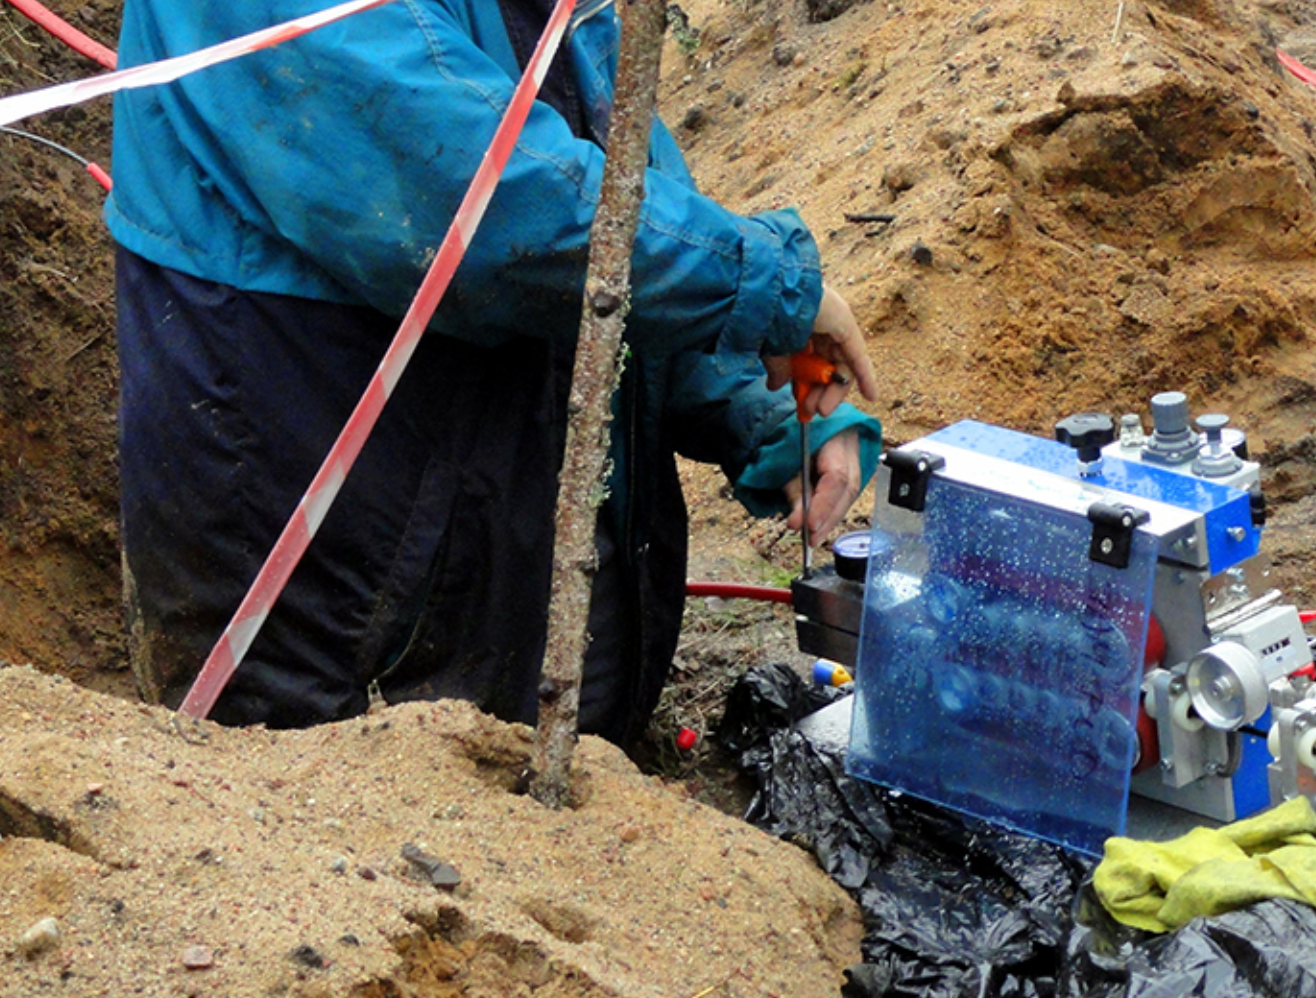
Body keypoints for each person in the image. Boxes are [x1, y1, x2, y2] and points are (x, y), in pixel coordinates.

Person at [105, 0, 882, 743]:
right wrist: (764, 287)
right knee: (331, 833)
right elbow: (486, 205)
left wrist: (761, 401)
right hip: (338, 558)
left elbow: (606, 163)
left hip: (494, 554)